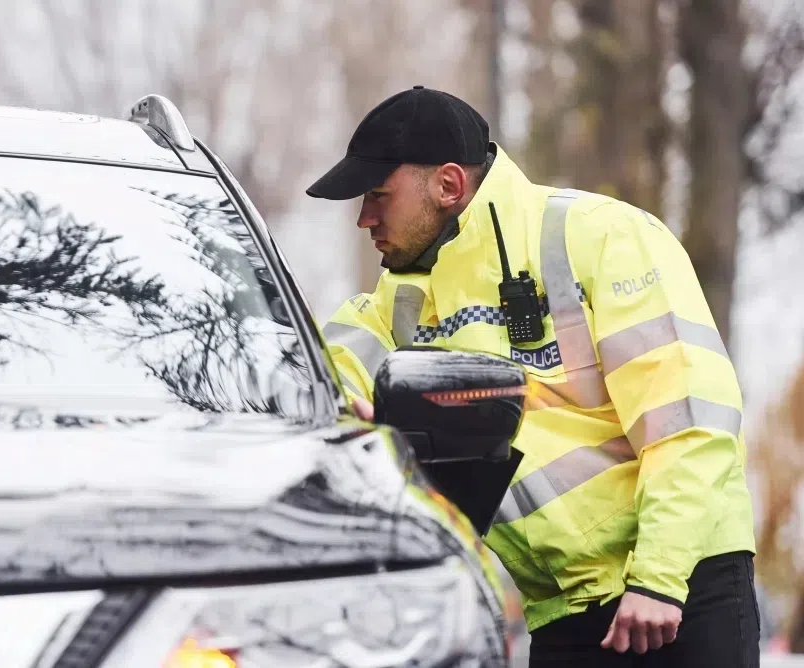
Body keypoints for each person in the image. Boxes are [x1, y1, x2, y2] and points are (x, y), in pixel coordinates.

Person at [307, 85, 760, 667]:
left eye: (378, 195)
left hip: (680, 595)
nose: (365, 218)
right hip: (562, 611)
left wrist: (658, 579)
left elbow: (688, 419)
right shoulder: (401, 299)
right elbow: (325, 365)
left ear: (448, 186)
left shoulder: (603, 236)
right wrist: (343, 402)